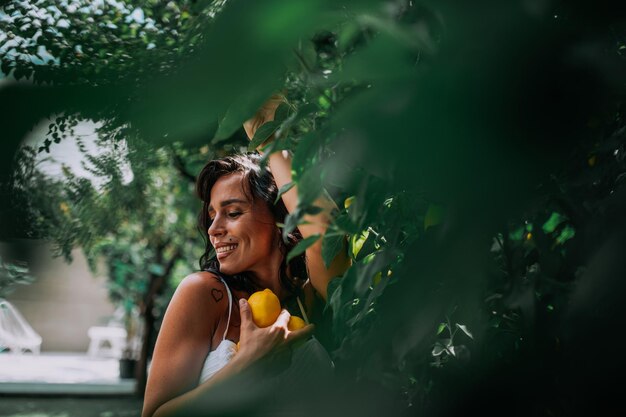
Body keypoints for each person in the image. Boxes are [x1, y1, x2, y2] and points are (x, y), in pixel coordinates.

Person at [141, 96, 350, 417]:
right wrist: (245, 366)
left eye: (233, 212)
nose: (213, 229)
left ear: (283, 218)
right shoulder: (205, 293)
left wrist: (273, 142)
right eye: (211, 216)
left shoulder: (308, 295)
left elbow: (329, 237)